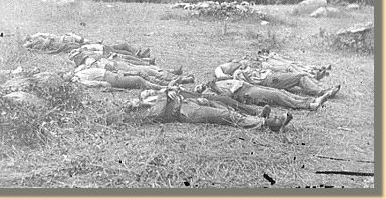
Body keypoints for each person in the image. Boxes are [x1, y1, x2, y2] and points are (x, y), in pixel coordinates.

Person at [124, 87, 293, 132]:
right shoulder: (146, 111)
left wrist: (170, 92)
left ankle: (258, 117)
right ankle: (268, 123)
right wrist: (164, 95)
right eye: (133, 101)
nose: (146, 93)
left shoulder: (153, 97)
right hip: (185, 112)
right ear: (135, 106)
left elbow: (168, 96)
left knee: (224, 106)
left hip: (190, 102)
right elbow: (158, 114)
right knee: (224, 115)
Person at [215, 59, 340, 97]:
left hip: (269, 75)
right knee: (300, 77)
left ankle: (319, 86)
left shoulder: (244, 67)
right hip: (268, 80)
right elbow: (219, 70)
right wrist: (221, 75)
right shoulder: (236, 72)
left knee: (295, 71)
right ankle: (322, 92)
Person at [195, 79, 337, 111]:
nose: (202, 85)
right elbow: (229, 96)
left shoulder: (218, 82)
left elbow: (236, 82)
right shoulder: (212, 92)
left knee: (281, 92)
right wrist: (214, 88)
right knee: (276, 95)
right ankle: (310, 105)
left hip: (247, 86)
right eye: (199, 88)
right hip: (246, 92)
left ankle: (313, 100)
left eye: (201, 84)